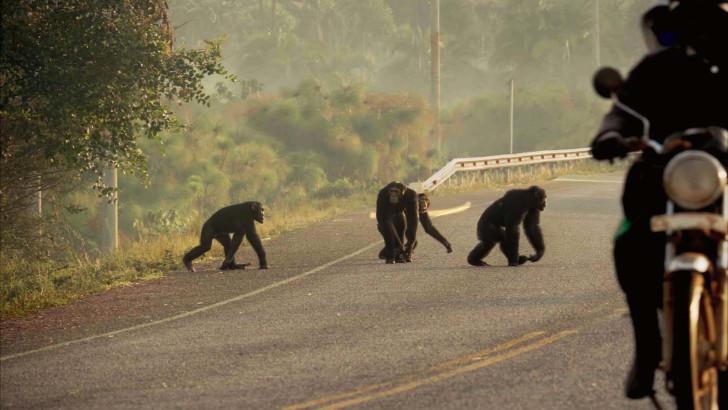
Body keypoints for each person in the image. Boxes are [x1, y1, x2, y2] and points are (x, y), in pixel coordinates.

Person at [590, 0, 728, 399]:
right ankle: (648, 346)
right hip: (667, 171)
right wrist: (609, 137)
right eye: (686, 24)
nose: (696, 32)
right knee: (629, 239)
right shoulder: (655, 70)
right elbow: (622, 111)